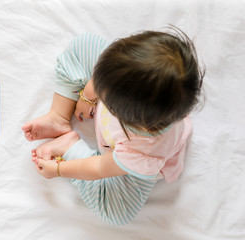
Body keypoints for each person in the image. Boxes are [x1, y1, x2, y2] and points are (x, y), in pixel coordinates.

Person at [22, 30, 204, 225]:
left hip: (123, 160)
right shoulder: (125, 72)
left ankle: (69, 145)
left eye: (103, 93)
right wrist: (87, 95)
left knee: (118, 212)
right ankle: (58, 116)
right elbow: (101, 78)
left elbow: (98, 167)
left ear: (125, 117)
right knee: (85, 43)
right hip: (124, 88)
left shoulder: (143, 151)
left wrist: (59, 169)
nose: (97, 88)